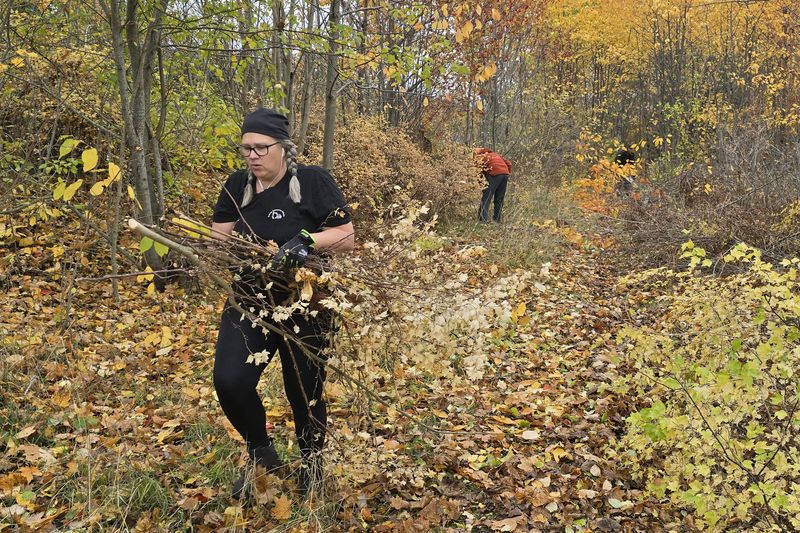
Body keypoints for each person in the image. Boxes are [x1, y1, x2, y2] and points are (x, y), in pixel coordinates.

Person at [211, 108, 355, 500]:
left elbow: (345, 235)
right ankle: (261, 450)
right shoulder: (236, 185)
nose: (253, 156)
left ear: (283, 148)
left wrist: (305, 242)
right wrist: (188, 259)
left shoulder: (311, 180)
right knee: (229, 382)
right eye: (246, 149)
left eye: (261, 147)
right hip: (250, 299)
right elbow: (217, 241)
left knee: (303, 390)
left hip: (307, 302)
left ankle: (312, 464)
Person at [474, 148, 512, 223]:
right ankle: (497, 220)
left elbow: (478, 173)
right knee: (499, 198)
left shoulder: (479, 157)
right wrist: (506, 173)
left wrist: (482, 184)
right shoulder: (496, 155)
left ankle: (482, 220)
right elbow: (509, 164)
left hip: (494, 174)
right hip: (505, 174)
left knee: (486, 197)